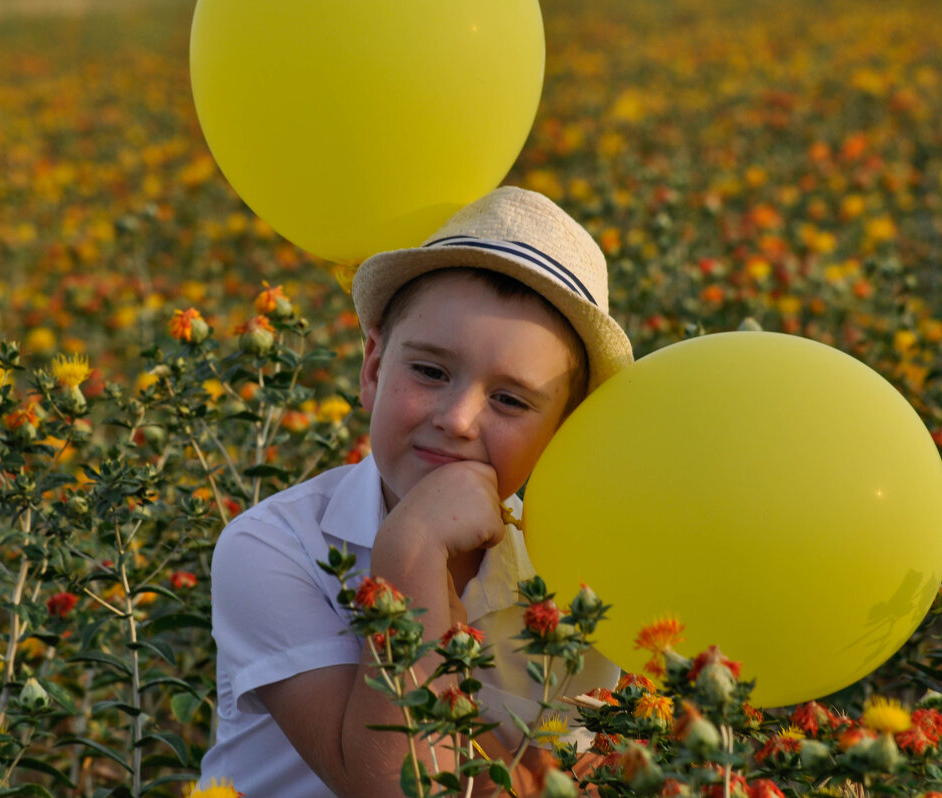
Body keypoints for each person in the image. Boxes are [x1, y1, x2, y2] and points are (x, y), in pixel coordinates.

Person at [198, 186, 634, 796]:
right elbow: (395, 787)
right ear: (373, 368)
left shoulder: (579, 583)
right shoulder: (274, 547)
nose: (457, 419)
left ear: (564, 432)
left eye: (510, 400)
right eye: (429, 371)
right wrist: (412, 549)